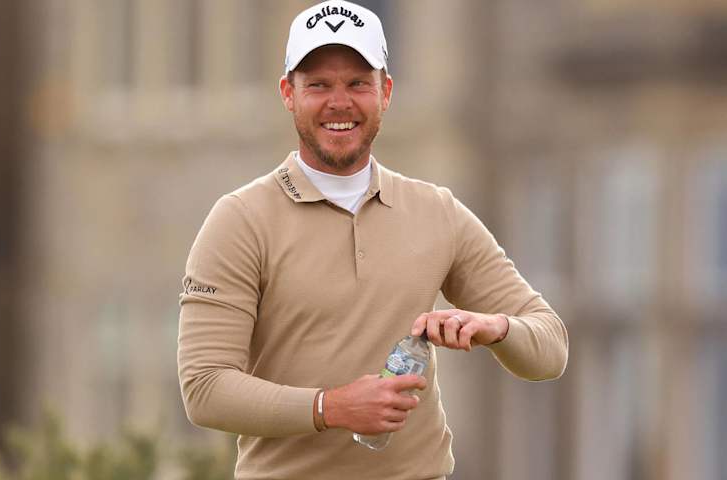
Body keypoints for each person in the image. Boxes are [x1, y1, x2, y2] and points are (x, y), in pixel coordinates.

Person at [177, 1, 568, 479]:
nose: (339, 102)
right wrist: (331, 407)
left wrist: (496, 328)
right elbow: (205, 388)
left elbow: (550, 348)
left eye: (358, 83)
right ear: (288, 93)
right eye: (318, 84)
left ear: (385, 91)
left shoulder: (435, 211)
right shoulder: (240, 220)